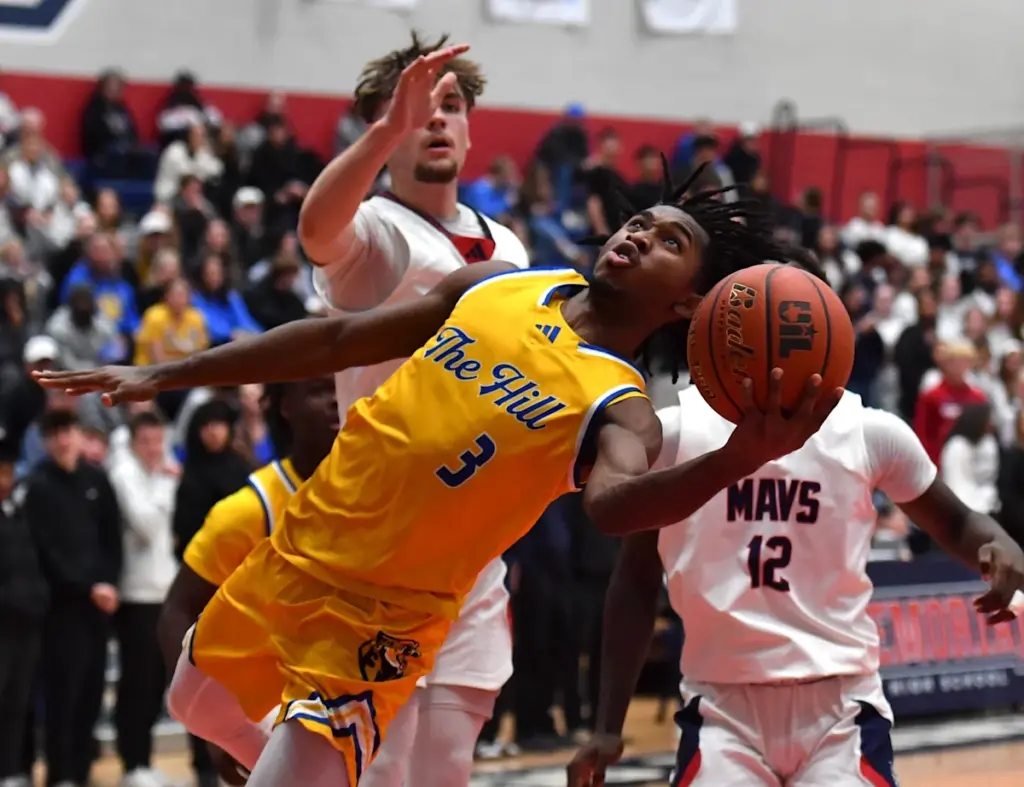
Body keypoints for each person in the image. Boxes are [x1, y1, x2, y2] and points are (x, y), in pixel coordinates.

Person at [36, 66, 840, 787]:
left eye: (669, 242)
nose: (638, 234)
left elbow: (612, 505)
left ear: (690, 301)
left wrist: (738, 457)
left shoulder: (619, 401)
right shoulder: (503, 284)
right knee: (195, 698)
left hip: (382, 615)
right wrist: (167, 372)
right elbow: (339, 339)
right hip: (303, 544)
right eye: (642, 222)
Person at [566, 273, 1024, 787]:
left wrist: (1000, 545)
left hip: (842, 706)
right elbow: (635, 579)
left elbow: (958, 521)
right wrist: (608, 725)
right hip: (720, 706)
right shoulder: (675, 432)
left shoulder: (869, 431)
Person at [301, 32, 528, 787]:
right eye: (413, 110)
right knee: (380, 767)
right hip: (381, 545)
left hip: (473, 546)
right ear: (381, 129)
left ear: (470, 128)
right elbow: (315, 229)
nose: (435, 119)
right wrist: (382, 131)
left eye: (451, 105)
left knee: (447, 768)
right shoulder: (374, 232)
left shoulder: (510, 247)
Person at [157, 376, 338, 782]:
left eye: (340, 387)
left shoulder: (378, 491)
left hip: (361, 696)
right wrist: (215, 728)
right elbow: (177, 611)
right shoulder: (249, 510)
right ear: (284, 406)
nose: (335, 401)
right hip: (278, 709)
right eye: (319, 390)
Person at [24, 409, 122, 787]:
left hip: (99, 606)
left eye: (68, 431)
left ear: (80, 435)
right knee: (62, 696)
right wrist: (87, 587)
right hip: (61, 609)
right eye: (55, 434)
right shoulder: (38, 486)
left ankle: (82, 773)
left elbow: (112, 539)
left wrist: (109, 582)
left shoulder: (97, 479)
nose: (63, 440)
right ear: (46, 442)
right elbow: (44, 551)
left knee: (91, 695)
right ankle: (60, 774)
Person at [107, 411, 179, 787]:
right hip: (135, 593)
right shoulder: (125, 473)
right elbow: (146, 524)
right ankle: (132, 763)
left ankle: (145, 762)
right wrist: (166, 485)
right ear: (133, 443)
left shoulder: (160, 473)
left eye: (158, 441)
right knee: (136, 682)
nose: (154, 449)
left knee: (155, 683)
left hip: (165, 590)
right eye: (146, 442)